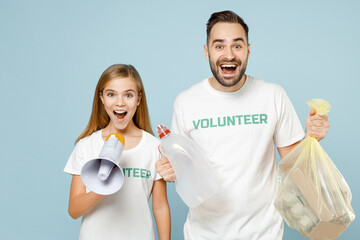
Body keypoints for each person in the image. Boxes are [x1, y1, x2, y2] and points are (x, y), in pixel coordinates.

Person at [155, 11, 329, 239]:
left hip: (263, 233)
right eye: (219, 46)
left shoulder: (272, 95)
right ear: (206, 52)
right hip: (203, 234)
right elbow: (185, 169)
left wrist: (312, 140)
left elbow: (295, 167)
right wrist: (171, 171)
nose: (229, 55)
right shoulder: (186, 102)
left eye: (237, 46)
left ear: (248, 50)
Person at [64, 64, 171, 240]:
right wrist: (103, 186)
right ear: (102, 98)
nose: (120, 102)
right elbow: (74, 210)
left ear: (138, 99)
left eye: (128, 95)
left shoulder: (154, 147)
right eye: (111, 94)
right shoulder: (86, 146)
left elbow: (160, 206)